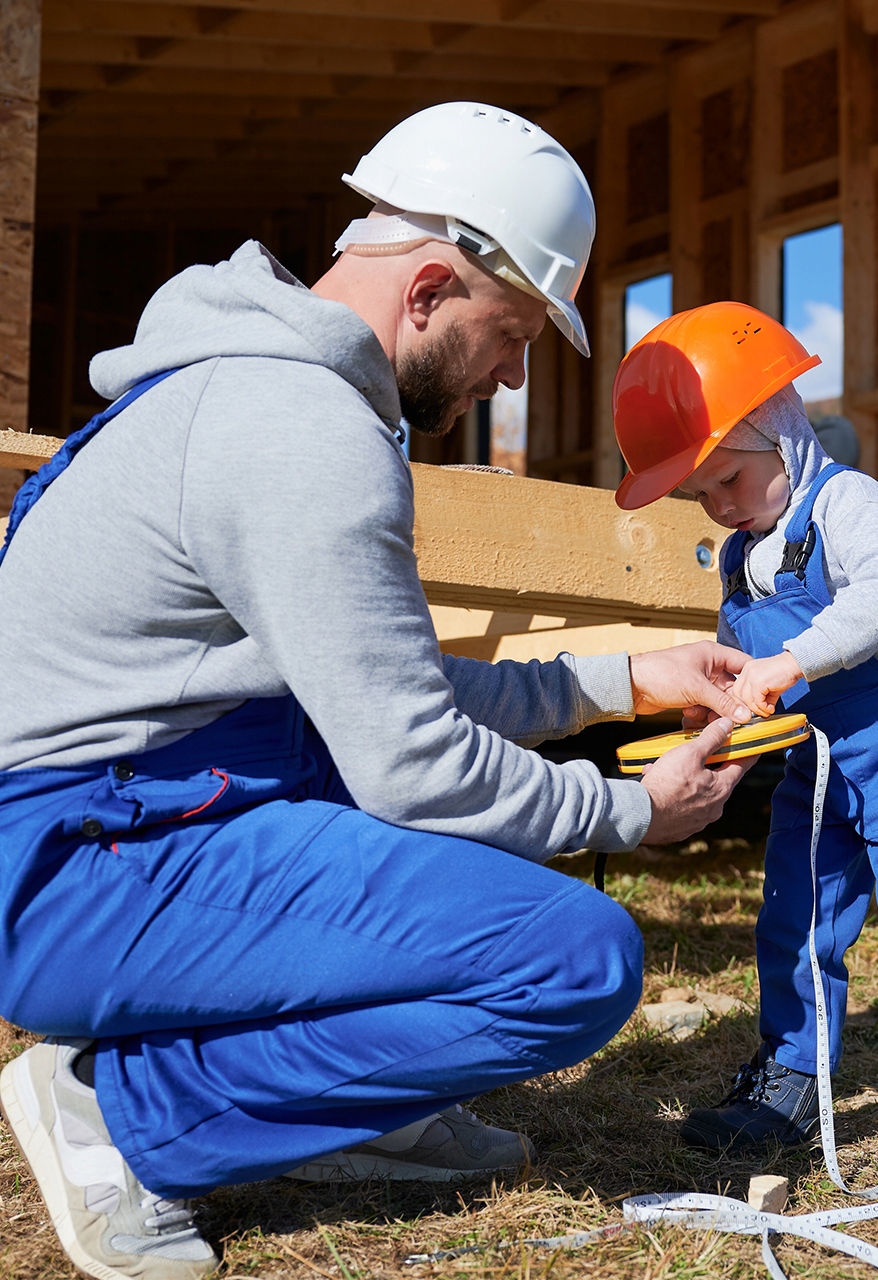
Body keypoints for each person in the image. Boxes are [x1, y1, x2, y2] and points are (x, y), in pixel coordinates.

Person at [0, 103, 755, 1280]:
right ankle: (124, 1114)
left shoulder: (241, 389)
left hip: (125, 821)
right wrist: (627, 815)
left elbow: (377, 684)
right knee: (571, 962)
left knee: (401, 835)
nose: (510, 373)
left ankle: (359, 1098)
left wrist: (616, 682)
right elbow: (415, 760)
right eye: (510, 335)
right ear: (428, 289)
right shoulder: (303, 430)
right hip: (77, 863)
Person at [611, 302, 878, 1167]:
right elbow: (740, 661)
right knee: (796, 920)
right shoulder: (739, 554)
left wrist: (791, 659)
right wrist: (714, 709)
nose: (718, 505)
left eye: (727, 479)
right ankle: (792, 1079)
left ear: (781, 433)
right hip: (811, 757)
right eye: (702, 495)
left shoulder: (847, 502)